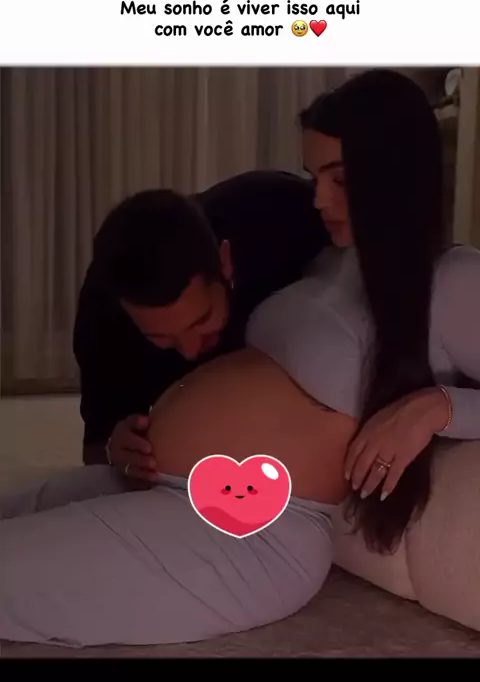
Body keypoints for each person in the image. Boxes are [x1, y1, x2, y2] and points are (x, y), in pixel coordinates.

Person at [1, 69, 480, 649]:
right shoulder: (328, 260)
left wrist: (437, 407)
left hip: (252, 530)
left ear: (395, 174)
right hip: (169, 486)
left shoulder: (453, 279)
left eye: (339, 179)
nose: (317, 199)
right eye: (314, 177)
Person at [73, 170, 329, 476]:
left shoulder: (279, 215)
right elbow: (95, 447)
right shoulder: (102, 319)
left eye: (202, 320)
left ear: (225, 261)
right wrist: (114, 449)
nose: (191, 350)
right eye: (161, 337)